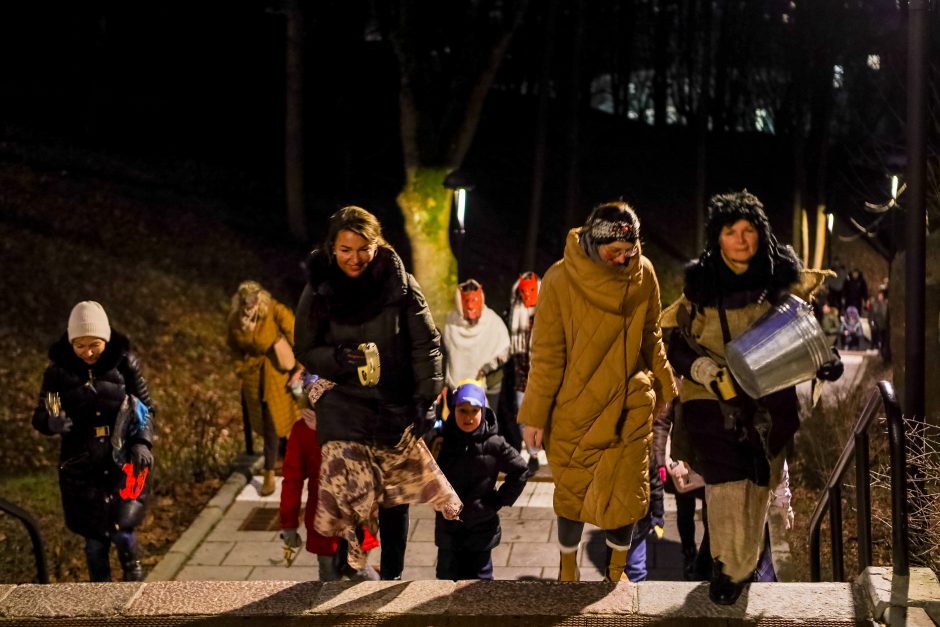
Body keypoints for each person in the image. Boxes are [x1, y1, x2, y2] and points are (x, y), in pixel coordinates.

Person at [661, 190, 843, 604]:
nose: (742, 240)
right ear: (717, 237)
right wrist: (704, 369)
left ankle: (740, 563)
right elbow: (676, 343)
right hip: (715, 404)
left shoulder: (779, 282)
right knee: (725, 487)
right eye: (732, 232)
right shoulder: (701, 288)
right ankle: (728, 569)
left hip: (768, 408)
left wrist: (824, 361)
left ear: (761, 235)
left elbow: (803, 334)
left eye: (749, 231)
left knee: (758, 486)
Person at [517, 201, 677, 582]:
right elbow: (547, 355)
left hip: (630, 404)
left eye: (630, 251)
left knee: (625, 497)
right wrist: (535, 416)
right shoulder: (558, 280)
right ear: (592, 242)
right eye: (614, 252)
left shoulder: (645, 275)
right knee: (572, 494)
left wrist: (665, 384)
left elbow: (652, 333)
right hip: (575, 408)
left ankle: (617, 571)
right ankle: (568, 568)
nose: (623, 259)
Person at [294, 205, 446, 580]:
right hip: (346, 405)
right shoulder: (319, 287)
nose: (355, 258)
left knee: (394, 498)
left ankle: (392, 573)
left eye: (364, 248)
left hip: (394, 404)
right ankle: (349, 568)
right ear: (333, 249)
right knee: (350, 490)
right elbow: (305, 347)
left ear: (378, 245)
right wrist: (336, 359)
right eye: (346, 249)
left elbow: (426, 345)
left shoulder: (400, 284)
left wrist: (426, 399)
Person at [32, 301, 154, 582]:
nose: (88, 353)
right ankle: (98, 597)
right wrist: (53, 422)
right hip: (81, 464)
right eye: (80, 345)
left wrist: (141, 442)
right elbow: (45, 410)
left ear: (106, 339)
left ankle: (132, 573)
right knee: (95, 542)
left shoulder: (124, 365)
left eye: (94, 345)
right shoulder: (58, 373)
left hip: (122, 459)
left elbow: (145, 409)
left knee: (123, 529)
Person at [278, 390, 379, 581]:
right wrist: (289, 523)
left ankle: (378, 601)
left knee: (357, 572)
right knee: (331, 575)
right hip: (325, 520)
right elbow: (292, 480)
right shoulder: (303, 430)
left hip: (353, 517)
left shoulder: (356, 420)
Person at [434, 380, 529, 580]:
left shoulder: (494, 444)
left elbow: (520, 470)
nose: (468, 417)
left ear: (482, 412)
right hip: (449, 528)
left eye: (474, 411)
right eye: (463, 411)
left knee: (479, 585)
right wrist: (436, 499)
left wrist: (498, 500)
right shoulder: (442, 440)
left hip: (481, 528)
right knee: (445, 580)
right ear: (454, 410)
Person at [227, 281, 302, 496]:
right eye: (245, 303)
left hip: (276, 374)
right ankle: (289, 457)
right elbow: (233, 347)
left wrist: (300, 368)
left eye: (252, 302)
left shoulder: (274, 312)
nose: (249, 307)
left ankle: (269, 470)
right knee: (264, 421)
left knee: (273, 420)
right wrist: (240, 368)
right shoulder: (236, 320)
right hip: (252, 377)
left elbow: (297, 336)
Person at [443, 278, 511, 413]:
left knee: (488, 422)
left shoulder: (492, 321)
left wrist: (487, 367)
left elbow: (504, 349)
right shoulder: (451, 322)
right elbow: (446, 353)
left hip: (490, 383)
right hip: (457, 387)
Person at [505, 272, 541, 471]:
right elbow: (514, 345)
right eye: (524, 292)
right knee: (522, 413)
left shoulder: (546, 312)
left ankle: (540, 451)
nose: (527, 296)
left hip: (542, 372)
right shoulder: (516, 312)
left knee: (543, 415)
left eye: (532, 291)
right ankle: (532, 453)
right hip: (521, 371)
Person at [624, 457, 665, 582]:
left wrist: (658, 515)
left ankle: (636, 595)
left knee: (636, 568)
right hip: (616, 523)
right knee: (619, 567)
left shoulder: (645, 455)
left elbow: (655, 485)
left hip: (637, 524)